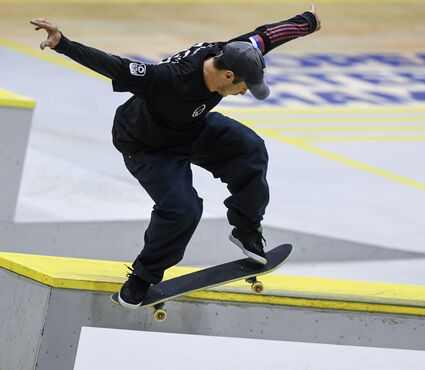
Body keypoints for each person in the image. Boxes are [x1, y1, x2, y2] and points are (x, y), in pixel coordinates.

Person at [30, 5, 321, 308]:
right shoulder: (168, 79)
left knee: (250, 148)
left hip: (191, 129)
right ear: (229, 75)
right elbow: (115, 67)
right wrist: (63, 44)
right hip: (147, 146)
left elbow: (266, 36)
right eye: (244, 86)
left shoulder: (233, 50)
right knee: (182, 209)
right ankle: (141, 279)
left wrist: (307, 22)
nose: (245, 92)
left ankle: (247, 229)